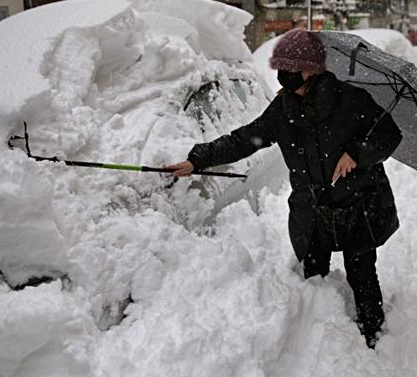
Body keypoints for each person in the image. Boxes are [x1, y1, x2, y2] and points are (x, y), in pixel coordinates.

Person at [166, 28, 402, 349]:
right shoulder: (284, 110)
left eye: (290, 70)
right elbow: (245, 139)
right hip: (314, 211)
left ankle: (374, 338)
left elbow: (389, 134)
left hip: (356, 206)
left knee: (361, 273)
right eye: (279, 70)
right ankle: (319, 342)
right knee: (314, 276)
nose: (283, 77)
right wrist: (199, 159)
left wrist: (357, 154)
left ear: (311, 69)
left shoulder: (351, 100)